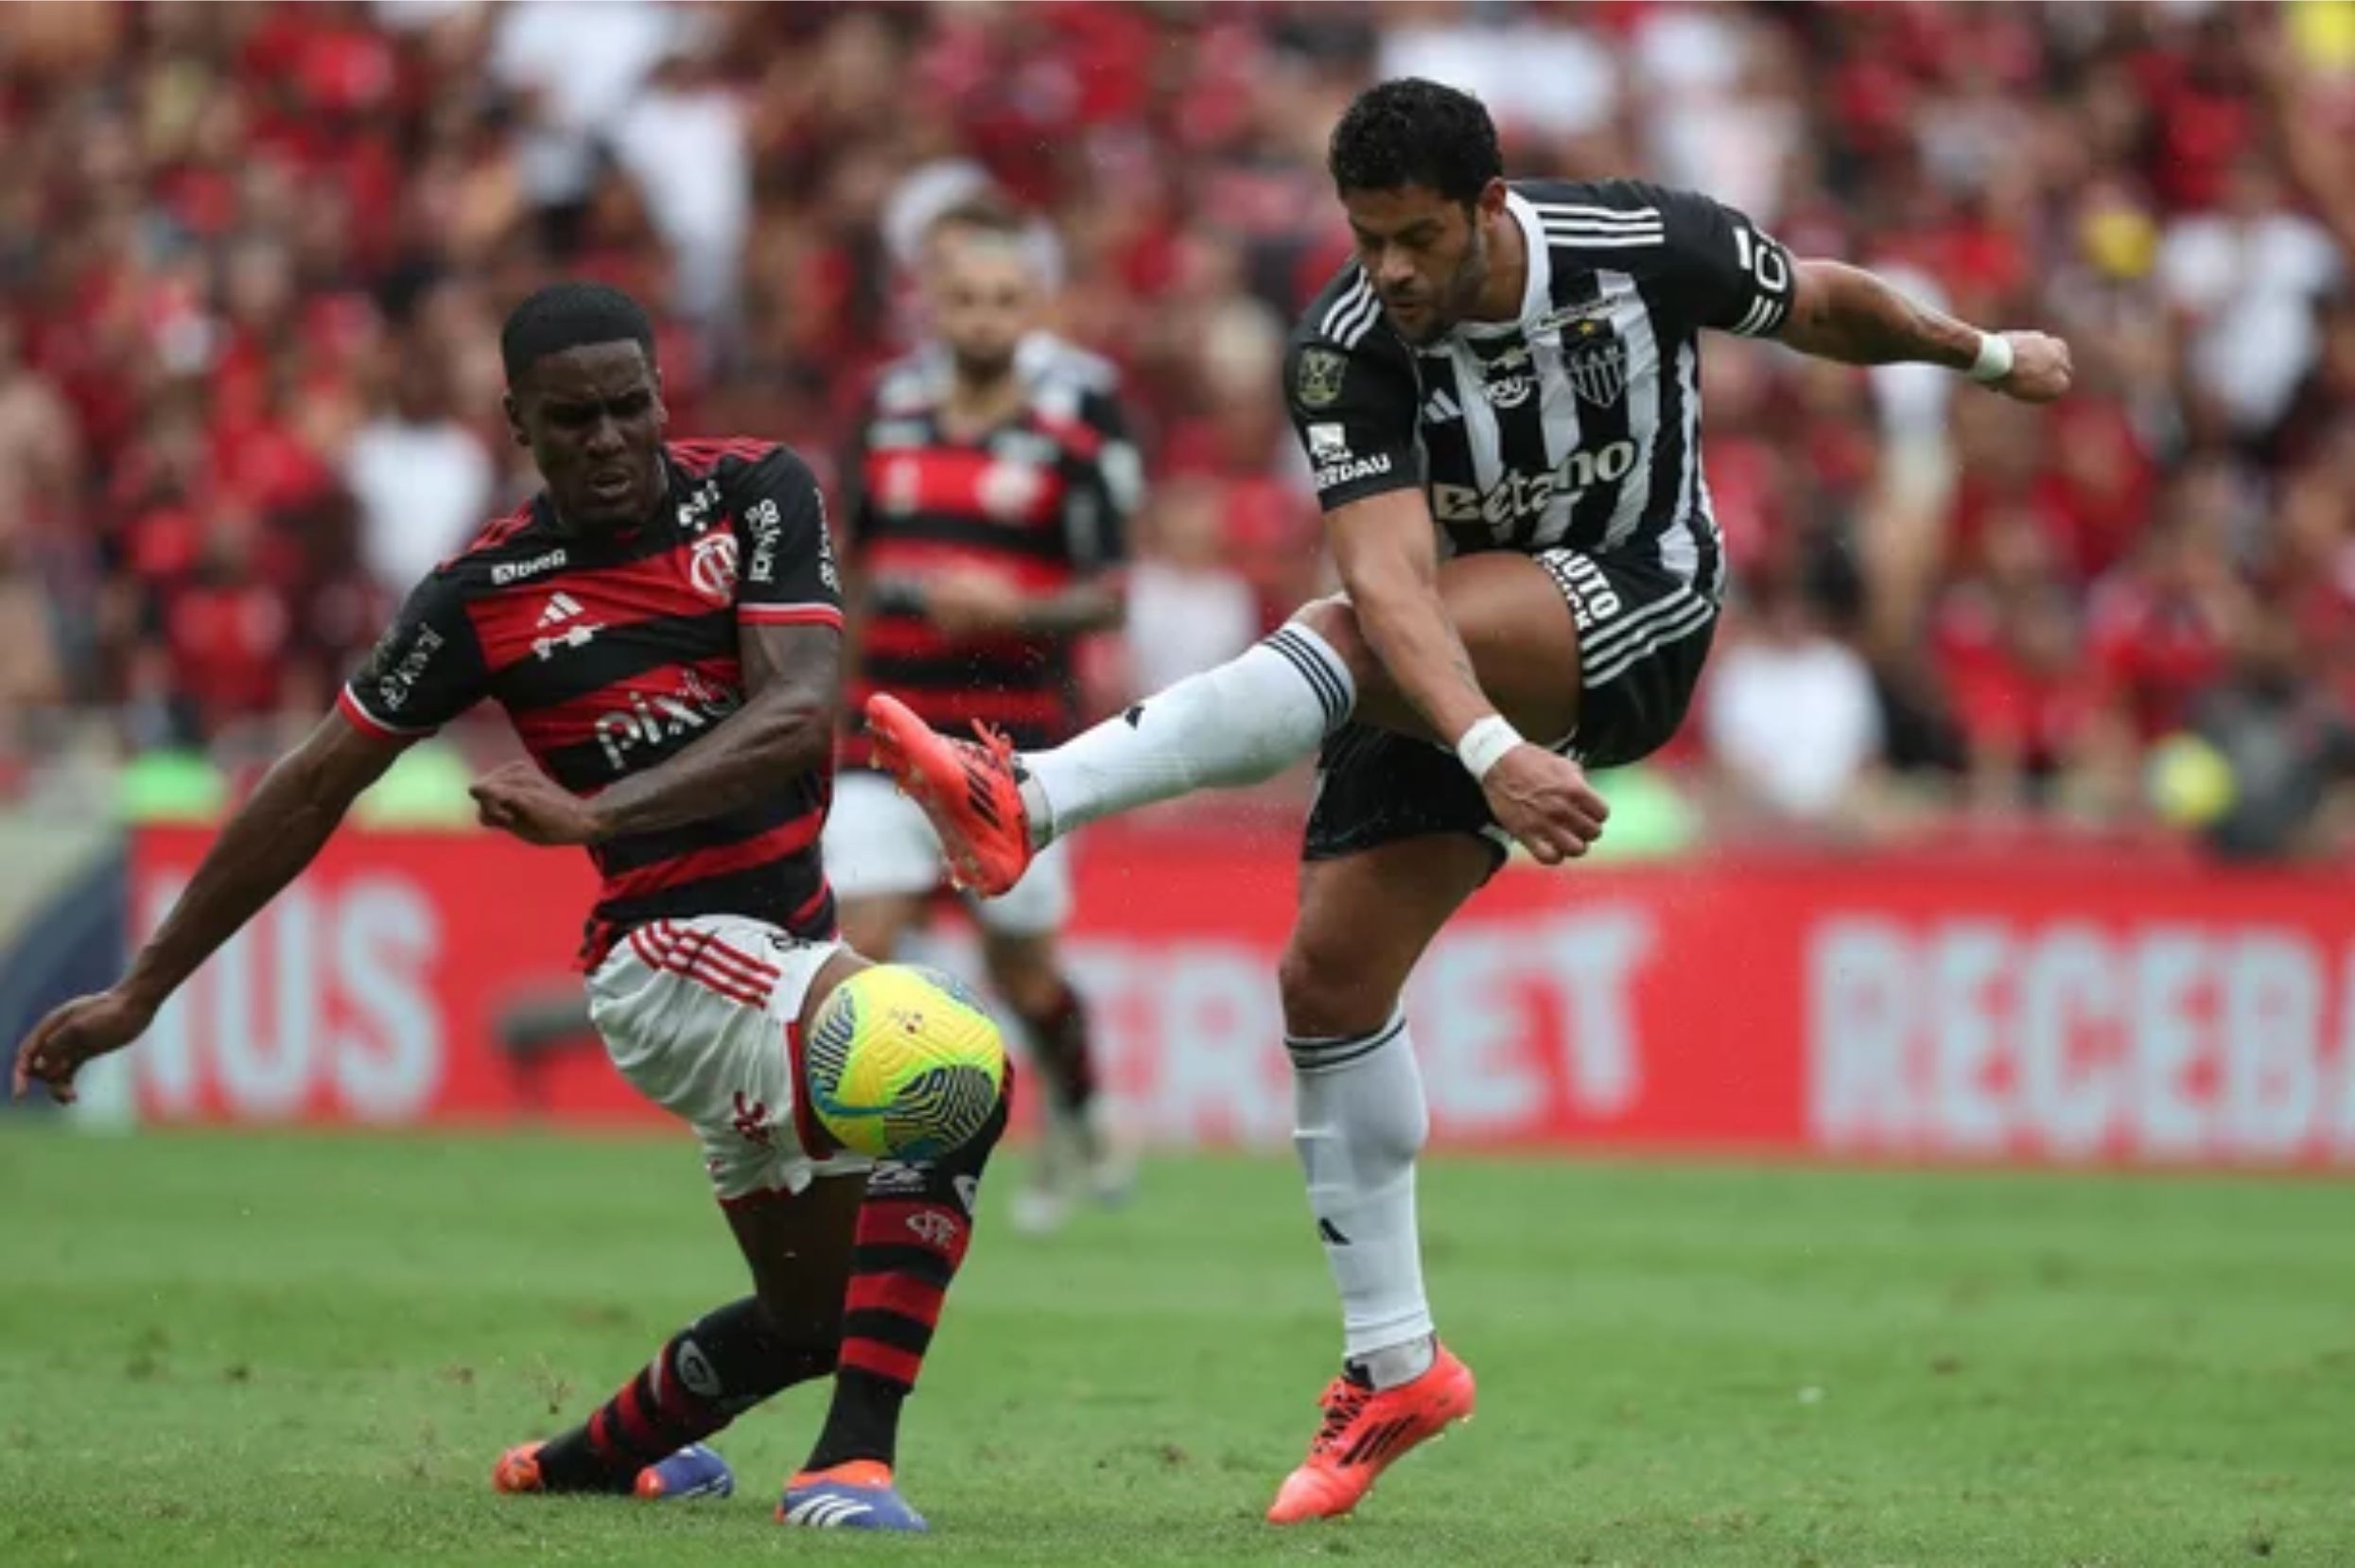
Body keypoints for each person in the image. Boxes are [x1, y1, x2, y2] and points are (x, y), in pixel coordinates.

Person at [865, 78, 2072, 1524]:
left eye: (1416, 238)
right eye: (1365, 238)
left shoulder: (1637, 244)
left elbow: (1818, 304)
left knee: (1358, 639)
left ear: (1488, 206)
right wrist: (1489, 743)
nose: (1389, 271)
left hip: (1638, 604)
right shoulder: (1346, 345)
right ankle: (1395, 1362)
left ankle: (1033, 794)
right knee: (1325, 977)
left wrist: (1985, 351)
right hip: (1453, 653)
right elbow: (1383, 575)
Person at [11, 282, 1009, 1534]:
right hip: (665, 958)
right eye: (572, 417)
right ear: (518, 424)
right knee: (953, 1062)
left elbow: (799, 709)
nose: (605, 438)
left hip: (785, 942)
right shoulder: (485, 591)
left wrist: (599, 809)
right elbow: (317, 778)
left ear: (661, 396)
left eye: (627, 407)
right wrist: (142, 988)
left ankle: (580, 1460)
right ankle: (847, 1468)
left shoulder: (761, 491)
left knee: (812, 1320)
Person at [829, 197, 1140, 1232]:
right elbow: (858, 560)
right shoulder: (882, 409)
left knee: (1023, 966)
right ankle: (869, 1175)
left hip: (1017, 745)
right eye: (963, 297)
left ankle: (1084, 1113)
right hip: (885, 734)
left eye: (1005, 299)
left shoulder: (1080, 419)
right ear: (932, 302)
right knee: (858, 945)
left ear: (1035, 307)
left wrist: (1015, 607)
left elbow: (1109, 590)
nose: (983, 317)